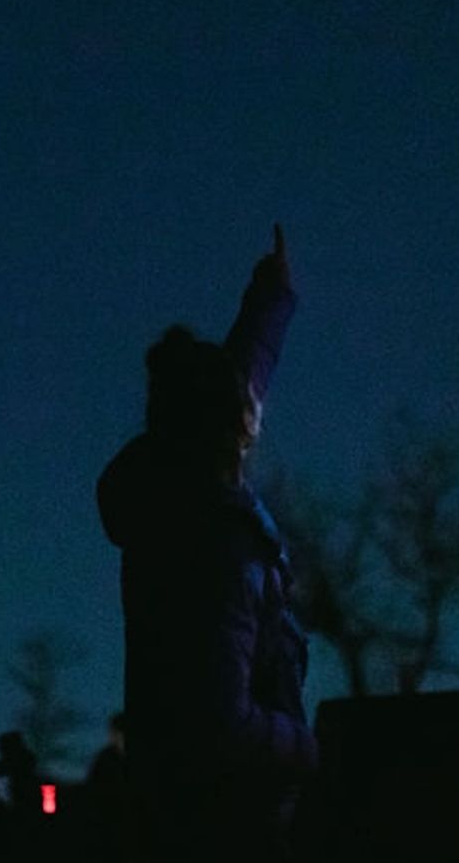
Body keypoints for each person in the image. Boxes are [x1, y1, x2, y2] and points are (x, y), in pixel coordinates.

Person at [96, 225, 317, 860]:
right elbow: (219, 727)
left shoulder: (167, 487)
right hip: (228, 822)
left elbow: (232, 381)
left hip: (180, 811)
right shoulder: (217, 544)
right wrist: (309, 746)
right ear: (231, 427)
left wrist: (270, 301)